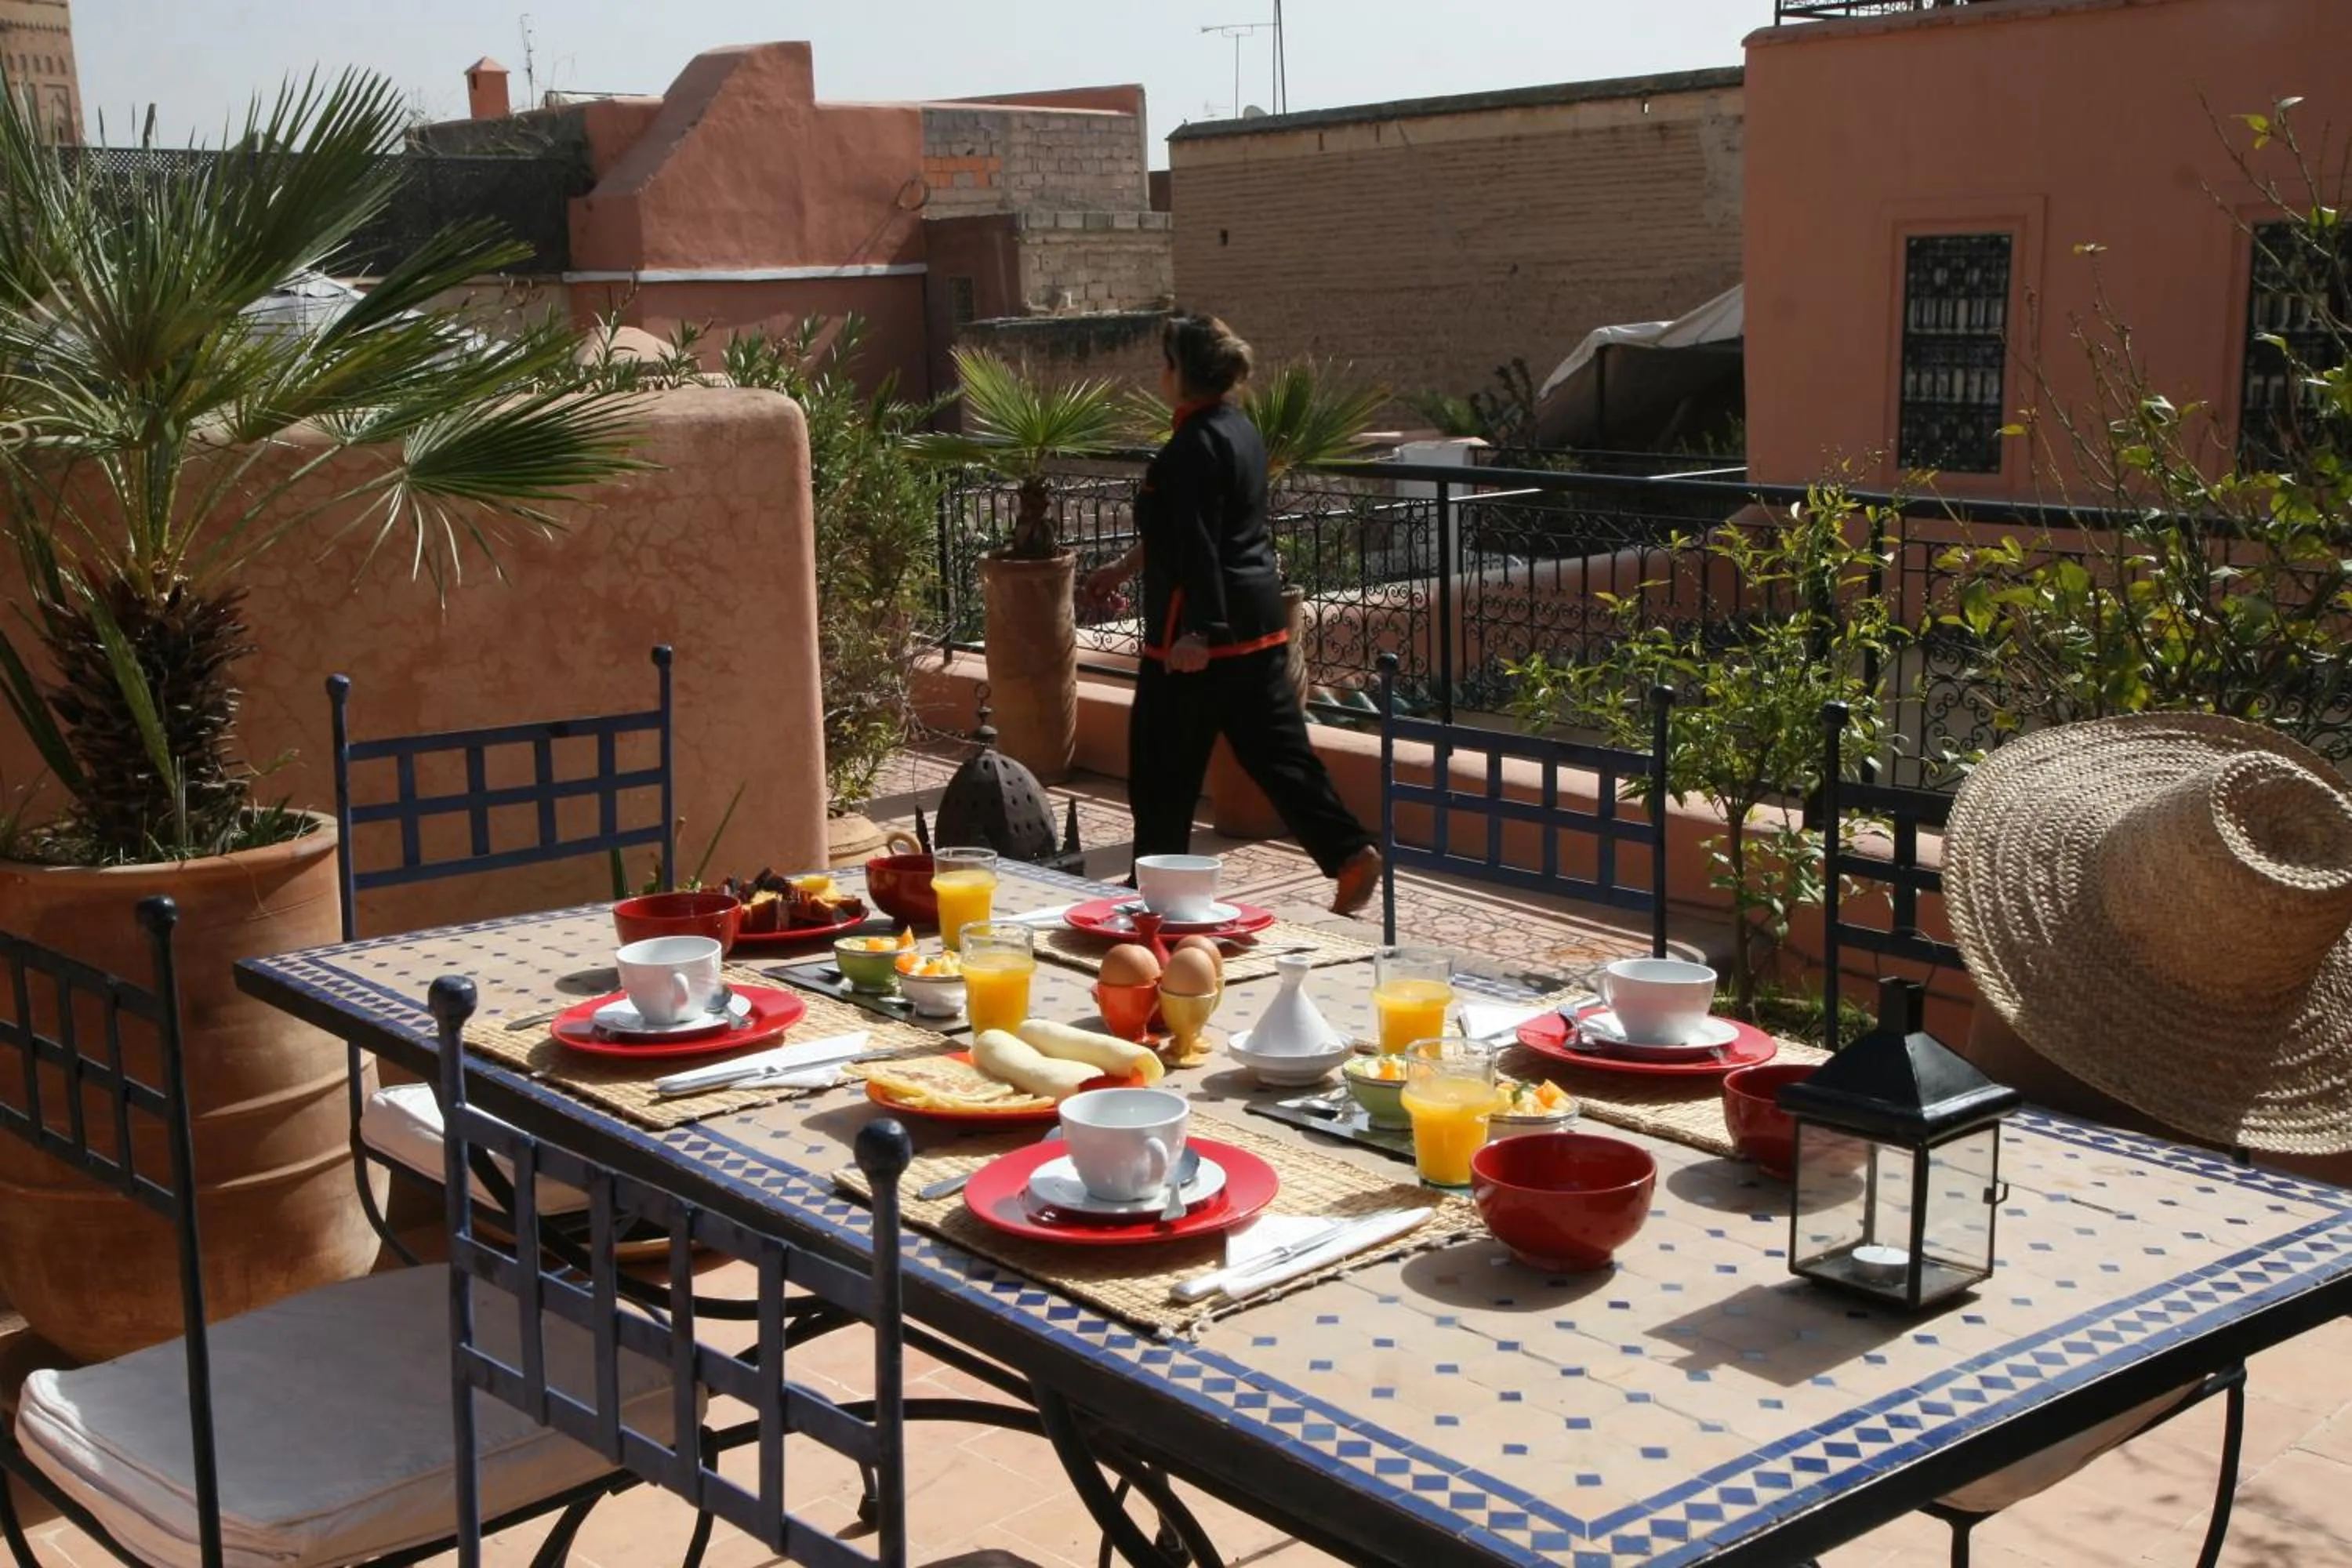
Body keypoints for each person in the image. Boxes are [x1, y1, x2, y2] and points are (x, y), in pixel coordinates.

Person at [1083, 310, 1381, 916]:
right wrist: (1121, 570)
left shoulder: (1186, 451)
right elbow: (1198, 529)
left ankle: (1155, 891)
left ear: (1180, 373)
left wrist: (1199, 630)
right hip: (1260, 623)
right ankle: (1350, 855)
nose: (1158, 374)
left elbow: (1197, 546)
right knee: (1279, 755)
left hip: (1197, 639)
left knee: (1161, 767)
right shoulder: (1238, 429)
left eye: (1164, 363)